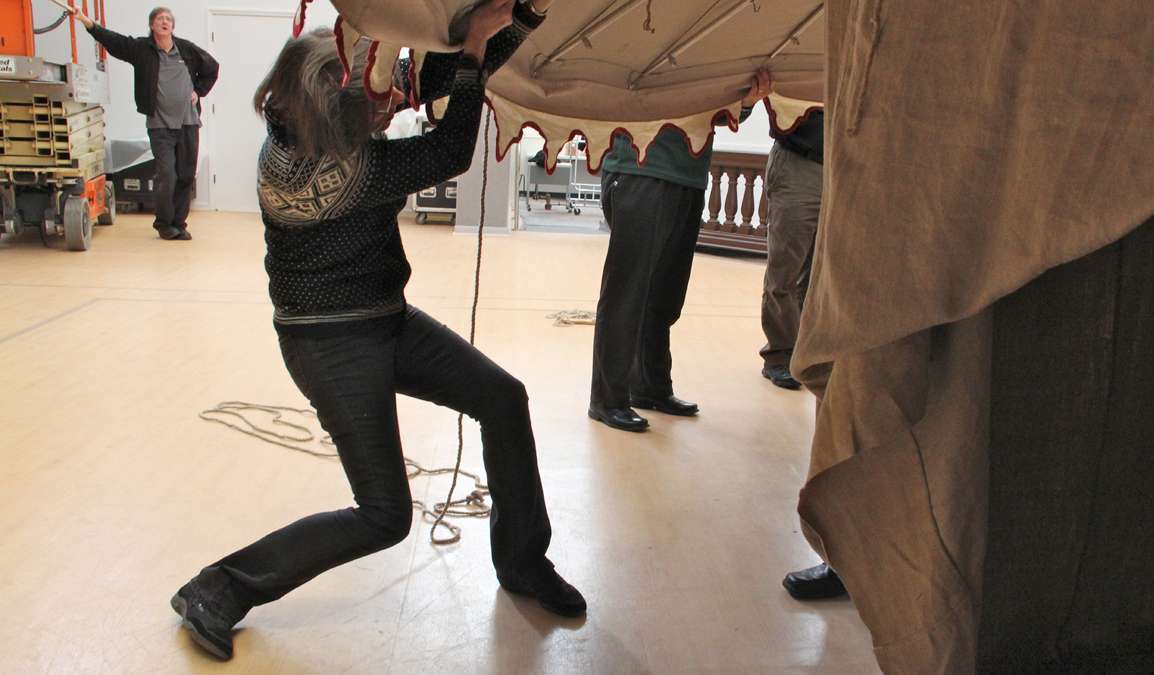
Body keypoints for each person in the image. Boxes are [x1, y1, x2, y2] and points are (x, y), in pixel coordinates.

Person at [165, 0, 582, 661]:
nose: (384, 103)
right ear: (333, 109)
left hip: (382, 318)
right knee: (384, 515)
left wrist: (517, 19)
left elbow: (429, 81)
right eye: (365, 95)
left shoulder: (308, 129)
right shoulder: (346, 171)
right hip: (328, 344)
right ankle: (217, 588)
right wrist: (472, 53)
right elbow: (451, 146)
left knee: (503, 398)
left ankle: (523, 562)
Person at [589, 70, 774, 432]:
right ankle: (608, 399)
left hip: (688, 174)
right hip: (641, 168)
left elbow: (722, 110)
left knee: (665, 294)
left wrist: (748, 101)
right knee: (627, 294)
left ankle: (650, 387)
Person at [70, 7, 218, 241]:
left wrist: (199, 92)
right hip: (159, 125)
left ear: (173, 26)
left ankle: (179, 223)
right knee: (167, 174)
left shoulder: (186, 50)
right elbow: (115, 42)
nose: (165, 22)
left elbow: (212, 68)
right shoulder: (142, 50)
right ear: (152, 25)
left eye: (169, 19)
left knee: (186, 175)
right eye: (160, 19)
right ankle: (163, 224)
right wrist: (89, 23)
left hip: (188, 123)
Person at [760, 110, 823, 390]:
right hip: (799, 161)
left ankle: (808, 353)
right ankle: (780, 355)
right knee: (785, 270)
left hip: (843, 162)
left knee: (820, 274)